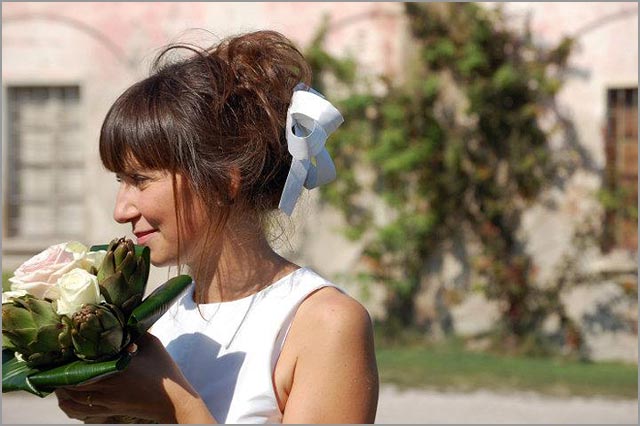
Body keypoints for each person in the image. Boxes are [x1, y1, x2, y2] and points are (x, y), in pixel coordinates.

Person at [54, 30, 379, 424]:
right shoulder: (157, 317)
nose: (121, 210)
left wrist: (176, 408)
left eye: (140, 180)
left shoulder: (322, 323)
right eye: (119, 181)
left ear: (224, 181)